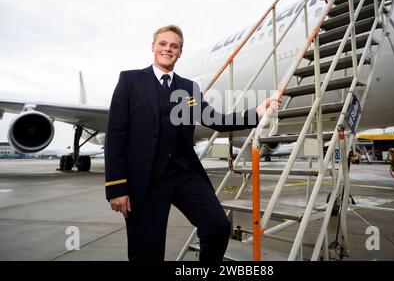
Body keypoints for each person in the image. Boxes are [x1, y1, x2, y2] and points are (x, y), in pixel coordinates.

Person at [105, 24, 280, 262]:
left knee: (218, 226)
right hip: (145, 180)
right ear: (153, 47)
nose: (168, 49)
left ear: (180, 52)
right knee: (146, 251)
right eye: (163, 44)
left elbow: (216, 120)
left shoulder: (188, 87)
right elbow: (116, 135)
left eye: (174, 46)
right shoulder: (130, 80)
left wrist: (257, 114)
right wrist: (116, 187)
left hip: (182, 174)